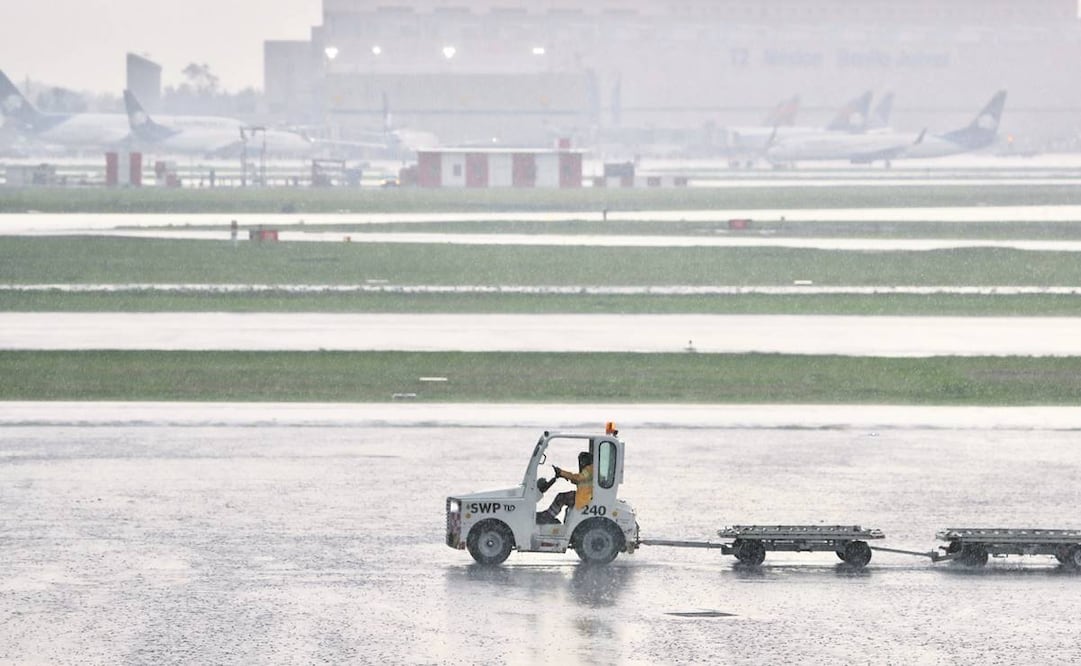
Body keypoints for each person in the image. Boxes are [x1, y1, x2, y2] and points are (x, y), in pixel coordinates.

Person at [536, 451, 593, 524]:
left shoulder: (589, 469)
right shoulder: (590, 470)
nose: (580, 464)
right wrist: (563, 475)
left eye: (581, 461)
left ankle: (548, 516)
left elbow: (578, 478)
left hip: (584, 498)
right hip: (585, 496)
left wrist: (562, 473)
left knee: (562, 497)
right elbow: (579, 481)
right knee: (566, 503)